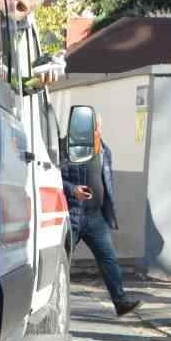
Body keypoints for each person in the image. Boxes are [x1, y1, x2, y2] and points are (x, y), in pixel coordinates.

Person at [61, 119, 141, 317]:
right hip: (73, 214)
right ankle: (49, 306)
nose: (98, 130)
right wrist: (73, 190)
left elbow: (106, 182)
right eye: (95, 126)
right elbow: (50, 174)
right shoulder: (65, 147)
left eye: (99, 126)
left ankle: (120, 303)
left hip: (96, 217)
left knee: (108, 259)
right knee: (61, 261)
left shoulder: (104, 149)